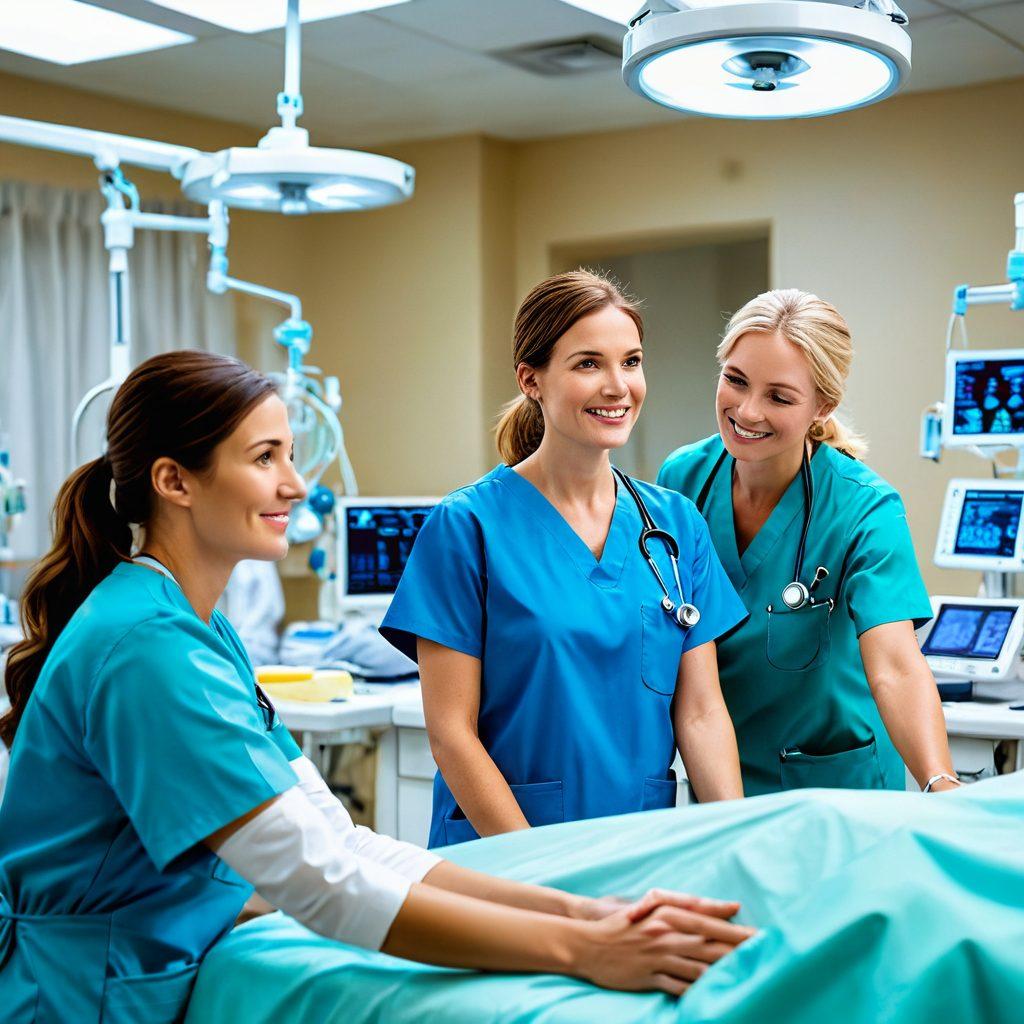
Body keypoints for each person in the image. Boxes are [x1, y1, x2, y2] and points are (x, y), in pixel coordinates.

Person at [0, 351, 753, 1023]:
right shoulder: (148, 649)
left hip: (144, 975)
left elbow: (341, 840)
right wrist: (574, 950)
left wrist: (588, 912)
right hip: (82, 994)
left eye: (292, 455)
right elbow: (316, 881)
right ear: (174, 481)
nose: (296, 485)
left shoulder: (200, 630)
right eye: (265, 458)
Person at [381, 271, 748, 850]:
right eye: (587, 364)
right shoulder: (467, 527)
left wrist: (736, 839)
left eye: (631, 362)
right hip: (506, 857)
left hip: (638, 845)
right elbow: (451, 733)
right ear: (532, 379)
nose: (618, 386)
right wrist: (540, 868)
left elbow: (700, 714)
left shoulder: (676, 527)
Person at [658, 289, 959, 796]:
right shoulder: (684, 479)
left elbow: (895, 664)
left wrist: (940, 783)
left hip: (837, 789)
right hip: (722, 782)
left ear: (823, 406)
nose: (747, 411)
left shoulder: (864, 508)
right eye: (735, 380)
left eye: (779, 396)